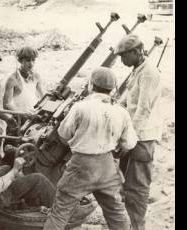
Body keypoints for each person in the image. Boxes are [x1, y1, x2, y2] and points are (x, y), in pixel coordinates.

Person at [43, 67, 138, 230]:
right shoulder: (121, 112)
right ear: (112, 89)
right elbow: (129, 143)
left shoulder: (81, 107)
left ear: (91, 85)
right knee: (116, 213)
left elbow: (63, 134)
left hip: (81, 165)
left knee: (60, 212)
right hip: (107, 166)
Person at [115, 34, 162, 230]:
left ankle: (137, 227)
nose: (122, 60)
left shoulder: (148, 73)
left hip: (141, 138)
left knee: (137, 189)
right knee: (127, 186)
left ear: (136, 52)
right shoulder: (137, 70)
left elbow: (143, 110)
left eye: (124, 56)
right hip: (133, 135)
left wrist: (128, 138)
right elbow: (127, 101)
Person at [3, 46, 44, 114]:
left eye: (33, 60)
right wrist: (22, 113)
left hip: (34, 114)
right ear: (20, 60)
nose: (31, 64)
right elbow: (6, 104)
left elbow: (43, 97)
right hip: (20, 117)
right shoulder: (13, 79)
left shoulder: (36, 76)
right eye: (28, 60)